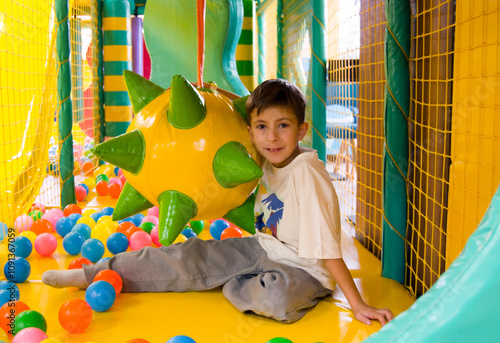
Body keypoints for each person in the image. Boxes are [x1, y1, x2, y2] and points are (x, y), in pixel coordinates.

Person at [43, 79, 393, 325]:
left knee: (277, 301)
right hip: (264, 249)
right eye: (261, 127)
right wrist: (213, 91)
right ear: (249, 129)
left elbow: (329, 252)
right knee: (188, 254)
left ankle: (229, 282)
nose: (271, 137)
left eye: (283, 126)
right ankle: (90, 274)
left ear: (301, 131)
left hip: (305, 272)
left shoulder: (307, 176)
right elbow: (239, 111)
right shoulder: (268, 154)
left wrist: (357, 303)